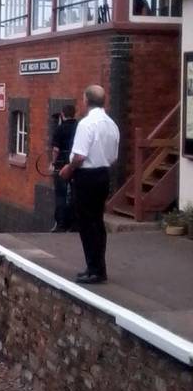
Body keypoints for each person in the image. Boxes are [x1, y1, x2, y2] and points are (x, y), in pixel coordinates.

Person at [58, 85, 119, 285]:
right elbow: (114, 156)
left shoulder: (86, 124)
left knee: (86, 222)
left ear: (86, 100)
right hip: (104, 174)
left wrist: (68, 169)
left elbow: (80, 156)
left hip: (87, 177)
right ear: (104, 101)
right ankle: (98, 267)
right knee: (97, 222)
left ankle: (94, 269)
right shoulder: (112, 124)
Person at [50, 103, 78, 232]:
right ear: (74, 114)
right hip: (76, 164)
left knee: (60, 194)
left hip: (61, 163)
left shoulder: (59, 129)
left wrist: (53, 163)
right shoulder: (79, 127)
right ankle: (74, 223)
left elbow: (55, 149)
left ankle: (61, 224)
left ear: (62, 114)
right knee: (74, 193)